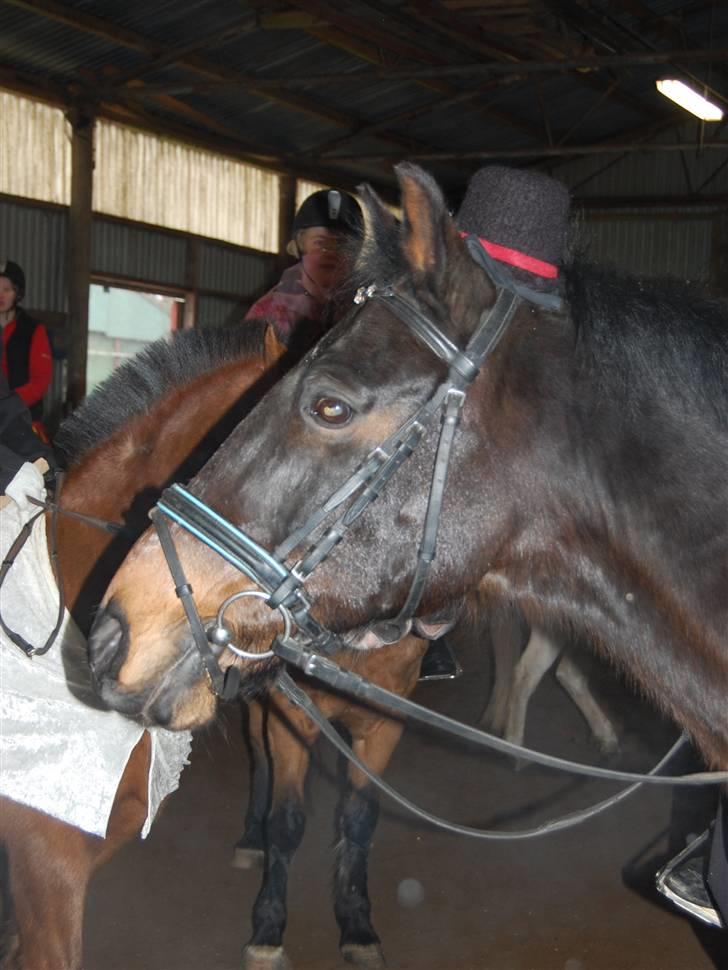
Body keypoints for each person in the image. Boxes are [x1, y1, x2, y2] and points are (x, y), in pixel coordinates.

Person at [244, 188, 363, 352]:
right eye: (320, 243)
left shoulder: (365, 308)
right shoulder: (269, 313)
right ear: (300, 246)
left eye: (342, 244)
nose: (331, 253)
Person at [0, 258, 53, 440]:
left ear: (17, 293)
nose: (1, 295)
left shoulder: (33, 330)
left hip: (24, 420)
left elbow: (40, 381)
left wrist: (10, 405)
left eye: (7, 290)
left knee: (40, 466)